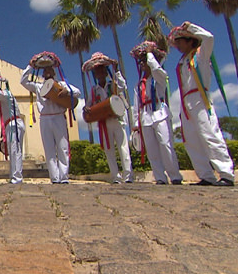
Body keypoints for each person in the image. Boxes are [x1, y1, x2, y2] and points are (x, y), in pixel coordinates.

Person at [170, 22, 235, 186]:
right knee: (191, 140)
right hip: (186, 101)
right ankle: (206, 175)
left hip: (200, 98)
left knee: (209, 134)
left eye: (180, 41)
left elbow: (209, 38)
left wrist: (191, 28)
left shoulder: (200, 55)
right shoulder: (182, 61)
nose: (177, 45)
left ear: (190, 41)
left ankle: (226, 174)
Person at [20, 53, 80, 184]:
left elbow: (77, 92)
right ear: (42, 73)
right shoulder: (38, 86)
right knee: (49, 149)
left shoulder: (62, 84)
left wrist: (67, 92)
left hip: (59, 117)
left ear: (53, 71)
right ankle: (55, 177)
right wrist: (30, 66)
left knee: (62, 147)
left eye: (49, 69)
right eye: (45, 69)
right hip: (45, 119)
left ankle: (64, 177)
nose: (47, 71)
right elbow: (23, 81)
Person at [130, 42, 183, 185]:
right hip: (145, 116)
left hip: (159, 112)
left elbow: (157, 70)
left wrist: (150, 55)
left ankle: (175, 176)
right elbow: (136, 105)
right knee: (152, 149)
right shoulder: (139, 84)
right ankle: (160, 177)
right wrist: (136, 123)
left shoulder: (159, 77)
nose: (142, 64)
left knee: (166, 144)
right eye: (140, 61)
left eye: (144, 61)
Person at [83, 53, 133, 184]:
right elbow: (89, 105)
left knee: (123, 147)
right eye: (97, 71)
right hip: (104, 122)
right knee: (109, 150)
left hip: (117, 119)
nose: (99, 72)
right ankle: (116, 177)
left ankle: (128, 176)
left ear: (106, 71)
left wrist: (116, 70)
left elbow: (123, 86)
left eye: (101, 69)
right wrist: (86, 109)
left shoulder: (114, 84)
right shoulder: (94, 90)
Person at [0, 70, 25, 184]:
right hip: (10, 125)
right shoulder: (3, 99)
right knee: (13, 151)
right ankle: (14, 176)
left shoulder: (6, 94)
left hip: (14, 124)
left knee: (15, 150)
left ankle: (17, 177)